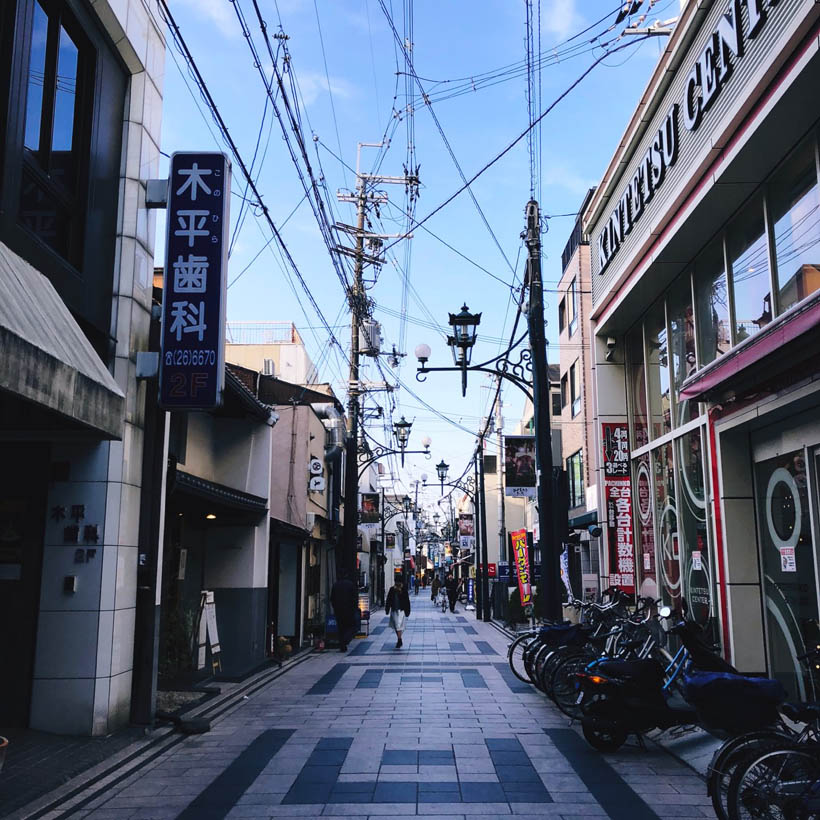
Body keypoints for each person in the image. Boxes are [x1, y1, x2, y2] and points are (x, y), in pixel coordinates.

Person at [330, 569, 358, 652]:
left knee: (341, 628)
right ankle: (346, 640)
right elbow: (354, 598)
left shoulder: (335, 585)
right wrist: (354, 608)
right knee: (351, 626)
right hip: (349, 610)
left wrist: (335, 607)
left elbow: (332, 598)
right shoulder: (350, 585)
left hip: (338, 610)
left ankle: (342, 645)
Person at [385, 579, 411, 649]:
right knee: (396, 626)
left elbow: (407, 601)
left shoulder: (403, 590)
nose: (398, 583)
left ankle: (399, 640)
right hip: (394, 610)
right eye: (397, 582)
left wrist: (407, 611)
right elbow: (388, 600)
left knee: (398, 626)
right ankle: (399, 639)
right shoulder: (392, 590)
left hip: (401, 611)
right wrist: (387, 609)